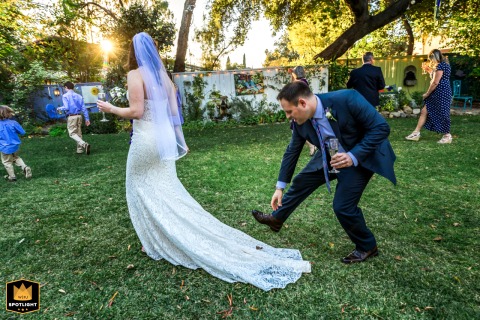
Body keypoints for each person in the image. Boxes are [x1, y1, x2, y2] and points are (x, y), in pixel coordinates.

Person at [97, 32, 310, 291]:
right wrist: (179, 140)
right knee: (168, 190)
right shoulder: (163, 77)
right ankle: (161, 236)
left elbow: (136, 112)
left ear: (132, 51)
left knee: (138, 186)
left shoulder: (135, 75)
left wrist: (111, 109)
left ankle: (154, 241)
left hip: (145, 140)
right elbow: (174, 113)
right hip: (163, 141)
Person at [251, 81, 396, 264]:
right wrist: (280, 187)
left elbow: (381, 128)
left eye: (289, 111)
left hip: (361, 156)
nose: (288, 117)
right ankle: (277, 218)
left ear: (303, 103)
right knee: (302, 180)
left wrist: (352, 156)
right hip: (331, 154)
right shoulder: (301, 121)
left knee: (343, 207)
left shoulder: (348, 99)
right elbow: (292, 151)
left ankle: (367, 246)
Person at [405, 49, 453, 144]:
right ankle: (416, 133)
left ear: (434, 57)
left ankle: (447, 136)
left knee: (443, 113)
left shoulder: (440, 65)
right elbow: (437, 76)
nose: (431, 61)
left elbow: (435, 82)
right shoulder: (444, 65)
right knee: (424, 111)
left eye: (431, 59)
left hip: (441, 92)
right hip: (440, 92)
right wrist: (428, 70)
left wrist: (427, 94)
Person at [0, 105, 32, 182]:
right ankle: (24, 167)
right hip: (15, 145)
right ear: (8, 113)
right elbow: (22, 132)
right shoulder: (13, 123)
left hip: (5, 147)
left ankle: (12, 177)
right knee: (16, 157)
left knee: (7, 161)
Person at [289, 66, 316, 156]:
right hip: (304, 109)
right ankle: (312, 145)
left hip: (299, 110)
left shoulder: (298, 83)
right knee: (302, 130)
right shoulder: (304, 81)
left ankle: (312, 145)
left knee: (297, 131)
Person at [62, 81, 91, 154]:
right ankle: (79, 150)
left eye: (64, 88)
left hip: (72, 117)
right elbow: (84, 108)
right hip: (79, 116)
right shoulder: (79, 96)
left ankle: (84, 144)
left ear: (66, 87)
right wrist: (87, 119)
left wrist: (59, 108)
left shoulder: (65, 96)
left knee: (72, 133)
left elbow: (66, 107)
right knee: (79, 133)